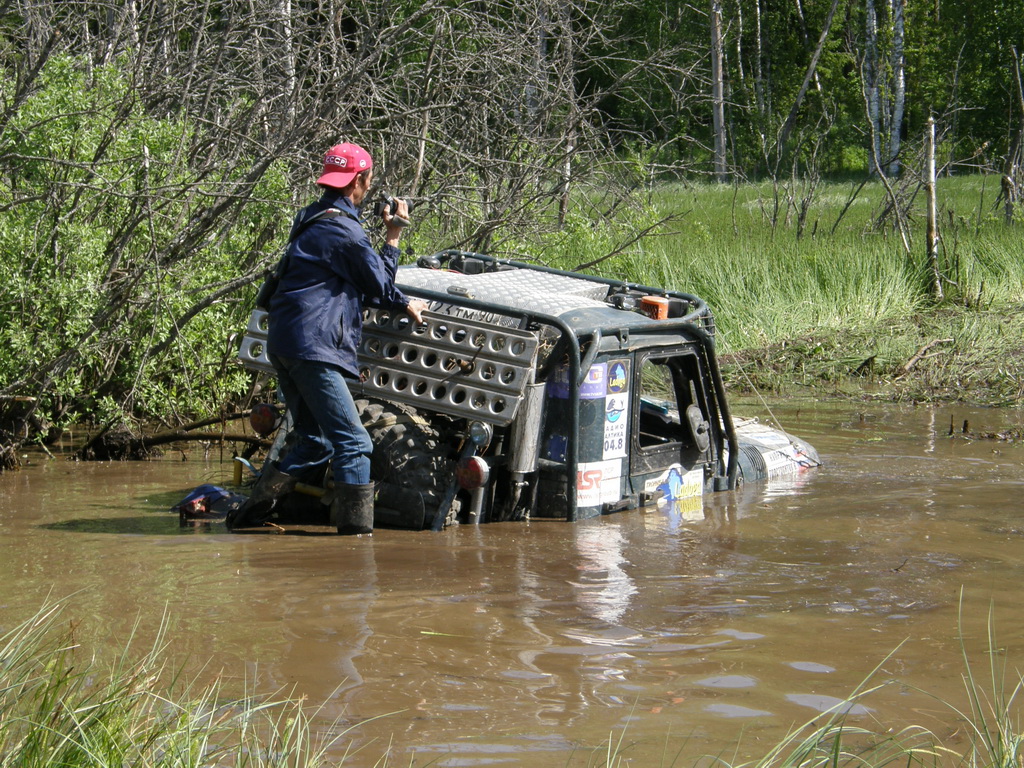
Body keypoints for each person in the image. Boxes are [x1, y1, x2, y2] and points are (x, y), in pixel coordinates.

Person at [228, 143, 427, 534]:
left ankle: (246, 519)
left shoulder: (313, 215)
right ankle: (356, 545)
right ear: (361, 181)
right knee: (356, 443)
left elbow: (346, 269)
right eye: (367, 181)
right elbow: (380, 287)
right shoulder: (345, 231)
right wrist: (393, 236)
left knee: (314, 439)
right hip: (313, 349)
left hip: (284, 343)